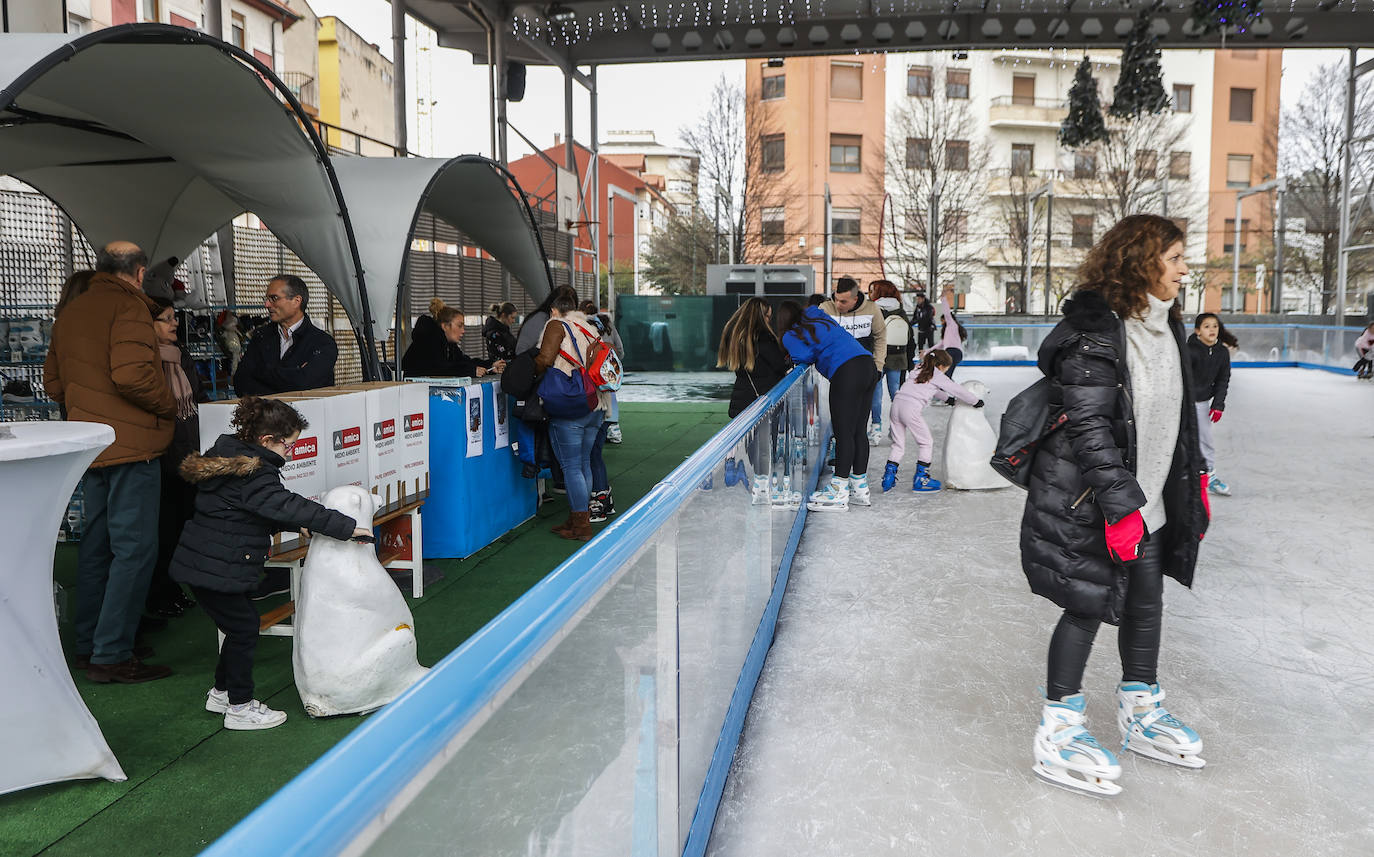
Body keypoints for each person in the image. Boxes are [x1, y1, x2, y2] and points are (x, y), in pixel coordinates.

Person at [1020, 214, 1210, 797]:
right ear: (1141, 260)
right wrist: (1119, 504)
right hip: (1094, 500)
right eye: (1175, 258)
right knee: (1086, 603)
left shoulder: (1167, 328)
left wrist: (1193, 477)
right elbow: (1090, 426)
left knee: (1147, 603)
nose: (1184, 270)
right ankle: (1058, 726)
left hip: (1147, 499)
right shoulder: (1095, 333)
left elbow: (1177, 416)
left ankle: (1141, 709)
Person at [169, 397, 369, 729]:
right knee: (244, 628)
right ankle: (240, 707)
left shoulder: (230, 457)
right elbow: (288, 505)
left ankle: (222, 693)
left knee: (238, 627)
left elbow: (248, 511)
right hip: (217, 566)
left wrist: (295, 526)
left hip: (206, 564)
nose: (291, 452)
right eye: (289, 445)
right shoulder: (255, 473)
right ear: (267, 441)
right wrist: (346, 527)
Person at [44, 241, 178, 683]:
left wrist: (88, 413)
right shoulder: (130, 308)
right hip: (133, 444)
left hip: (90, 444)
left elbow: (53, 383)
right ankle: (112, 653)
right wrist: (167, 406)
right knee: (135, 549)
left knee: (96, 548)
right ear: (139, 273)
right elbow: (132, 375)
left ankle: (90, 645)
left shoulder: (73, 309)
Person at [777, 300, 878, 512]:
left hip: (846, 370)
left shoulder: (790, 334)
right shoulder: (817, 315)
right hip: (867, 364)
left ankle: (838, 489)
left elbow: (802, 357)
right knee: (858, 431)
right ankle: (859, 488)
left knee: (843, 433)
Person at [146, 298, 203, 618]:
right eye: (166, 319)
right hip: (158, 453)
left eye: (173, 318)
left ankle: (175, 586)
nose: (175, 324)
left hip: (187, 451)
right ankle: (159, 593)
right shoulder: (143, 359)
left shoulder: (182, 356)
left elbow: (198, 396)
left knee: (184, 524)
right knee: (162, 529)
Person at [535, 290, 604, 540]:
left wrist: (526, 368)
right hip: (594, 402)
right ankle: (578, 516)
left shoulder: (556, 325)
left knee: (572, 467)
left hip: (569, 405)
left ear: (553, 309)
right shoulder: (588, 327)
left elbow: (544, 359)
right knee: (584, 463)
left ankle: (581, 524)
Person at [718, 298, 791, 502]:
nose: (770, 318)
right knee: (764, 443)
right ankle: (761, 484)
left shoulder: (736, 336)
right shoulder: (764, 339)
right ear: (761, 316)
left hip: (743, 396)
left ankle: (741, 468)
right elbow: (778, 365)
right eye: (768, 315)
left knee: (752, 442)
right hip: (763, 399)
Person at [881, 349, 984, 493]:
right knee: (926, 442)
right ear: (941, 366)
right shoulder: (938, 375)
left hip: (897, 405)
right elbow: (957, 390)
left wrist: (947, 399)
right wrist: (975, 401)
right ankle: (921, 479)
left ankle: (888, 477)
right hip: (910, 409)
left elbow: (931, 388)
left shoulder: (920, 369)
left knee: (898, 445)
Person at [233, 275, 337, 396]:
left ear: (296, 301)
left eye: (274, 298)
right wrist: (293, 373)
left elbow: (304, 383)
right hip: (267, 414)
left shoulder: (322, 343)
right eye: (266, 299)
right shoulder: (261, 337)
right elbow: (241, 383)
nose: (267, 304)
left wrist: (259, 372)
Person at [818, 278, 887, 445]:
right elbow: (816, 338)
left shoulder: (872, 310)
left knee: (863, 412)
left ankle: (873, 427)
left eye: (843, 301)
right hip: (838, 371)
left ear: (855, 299)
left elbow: (881, 337)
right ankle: (838, 444)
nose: (837, 304)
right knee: (839, 413)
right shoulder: (825, 309)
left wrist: (878, 366)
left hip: (865, 370)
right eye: (835, 298)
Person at [1188, 313, 1235, 497]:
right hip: (1183, 403)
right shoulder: (1189, 351)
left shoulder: (1222, 353)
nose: (1212, 330)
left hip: (1201, 403)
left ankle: (1210, 476)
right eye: (1206, 326)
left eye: (1215, 326)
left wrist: (1218, 404)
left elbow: (1223, 379)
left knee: (1205, 440)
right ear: (1198, 331)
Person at [402, 298, 507, 378]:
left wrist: (490, 366)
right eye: (459, 325)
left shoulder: (448, 344)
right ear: (445, 326)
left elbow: (463, 362)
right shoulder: (428, 341)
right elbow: (438, 369)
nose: (463, 331)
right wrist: (470, 371)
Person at [870, 280, 914, 442]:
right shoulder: (900, 310)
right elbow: (910, 339)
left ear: (879, 292)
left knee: (876, 394)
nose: (871, 293)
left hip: (878, 358)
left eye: (873, 290)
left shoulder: (874, 309)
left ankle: (876, 427)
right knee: (896, 394)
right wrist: (910, 363)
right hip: (899, 359)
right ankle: (896, 430)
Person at [581, 300, 626, 444]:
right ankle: (614, 429)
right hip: (608, 372)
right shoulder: (608, 325)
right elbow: (620, 349)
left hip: (591, 373)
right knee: (609, 396)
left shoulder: (582, 326)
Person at [935, 290, 967, 379]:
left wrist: (943, 299)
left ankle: (945, 389)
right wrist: (927, 351)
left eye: (942, 321)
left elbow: (947, 313)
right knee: (946, 375)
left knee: (945, 375)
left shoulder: (951, 324)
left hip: (952, 352)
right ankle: (948, 388)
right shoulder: (947, 331)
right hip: (953, 353)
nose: (941, 323)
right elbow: (939, 345)